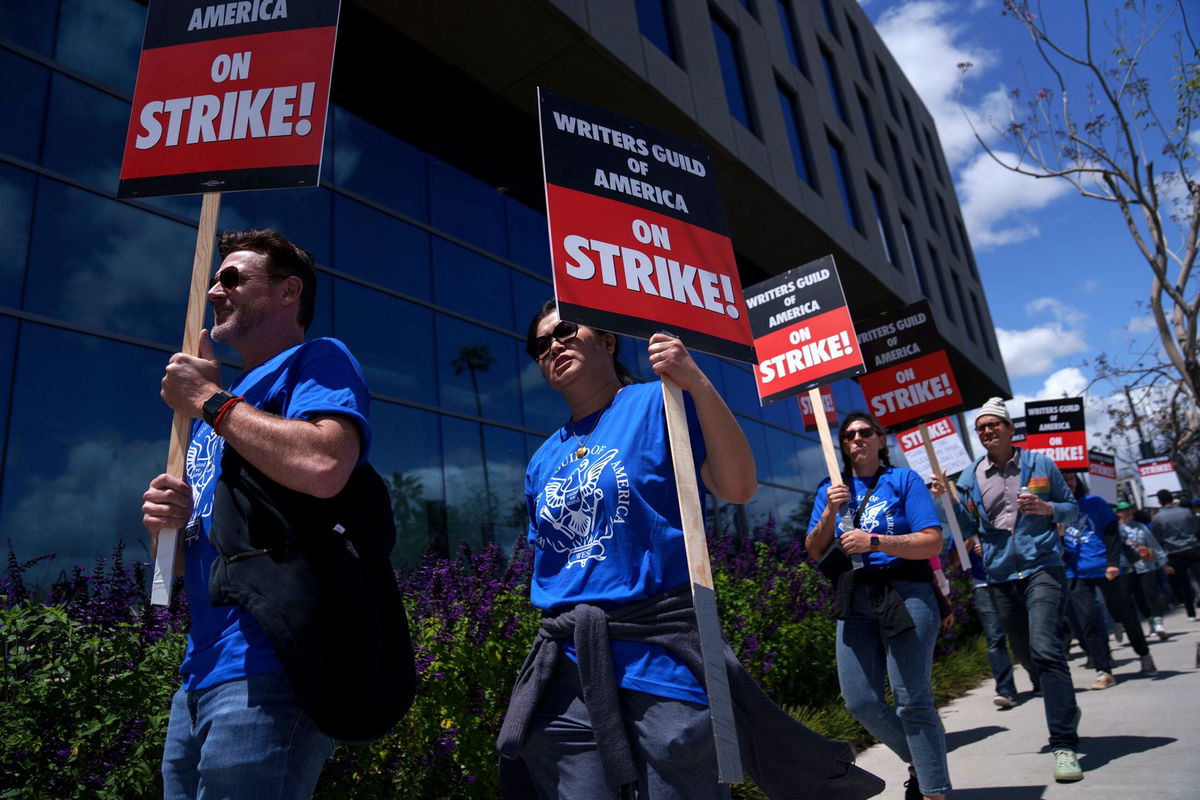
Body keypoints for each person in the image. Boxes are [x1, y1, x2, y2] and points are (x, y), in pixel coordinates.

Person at [496, 301, 883, 800]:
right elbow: (557, 559)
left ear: (608, 341)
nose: (553, 346)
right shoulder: (542, 459)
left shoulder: (660, 403)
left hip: (657, 659)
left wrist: (695, 381)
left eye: (566, 330)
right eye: (540, 345)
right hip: (565, 668)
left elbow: (738, 486)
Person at [141, 230, 372, 798]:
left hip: (270, 667)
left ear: (290, 291)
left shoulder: (317, 360)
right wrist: (164, 528)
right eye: (216, 278)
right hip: (198, 674)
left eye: (234, 278)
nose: (216, 290)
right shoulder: (216, 412)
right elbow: (174, 568)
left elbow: (324, 463)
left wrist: (212, 402)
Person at [929, 397, 1083, 783]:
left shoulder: (1039, 464)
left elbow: (1071, 508)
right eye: (980, 427)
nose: (987, 431)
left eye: (993, 424)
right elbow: (965, 527)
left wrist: (1048, 510)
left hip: (1042, 566)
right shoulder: (969, 476)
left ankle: (1063, 743)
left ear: (1010, 429)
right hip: (999, 575)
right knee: (1027, 653)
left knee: (1046, 649)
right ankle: (1065, 703)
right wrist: (946, 497)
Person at [806, 412, 949, 800]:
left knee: (911, 699)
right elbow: (814, 549)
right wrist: (829, 512)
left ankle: (933, 791)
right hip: (855, 596)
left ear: (881, 439)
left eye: (865, 432)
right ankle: (925, 756)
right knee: (860, 700)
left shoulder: (903, 480)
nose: (857, 439)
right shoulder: (830, 489)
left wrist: (875, 542)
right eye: (850, 435)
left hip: (906, 593)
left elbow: (932, 542)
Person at [1060, 473, 1156, 687]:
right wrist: (1057, 532)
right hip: (1075, 573)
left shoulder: (1095, 503)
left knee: (1125, 613)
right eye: (1063, 480)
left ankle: (1144, 655)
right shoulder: (1053, 510)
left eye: (1071, 479)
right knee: (1087, 621)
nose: (1068, 484)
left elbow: (1112, 534)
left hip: (1105, 568)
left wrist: (1112, 563)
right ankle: (1103, 669)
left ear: (1078, 482)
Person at [1116, 501, 1170, 639]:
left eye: (1129, 510)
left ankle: (1159, 623)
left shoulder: (1140, 527)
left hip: (1146, 565)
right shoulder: (1116, 530)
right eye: (1124, 511)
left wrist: (1162, 562)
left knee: (1150, 593)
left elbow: (1153, 544)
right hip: (1128, 568)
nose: (1128, 513)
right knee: (1139, 597)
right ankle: (1150, 621)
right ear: (1118, 513)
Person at [1151, 488, 1200, 622]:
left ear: (1159, 501)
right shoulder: (1186, 512)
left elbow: (1158, 537)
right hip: (1193, 548)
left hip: (1175, 552)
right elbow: (1196, 528)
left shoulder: (1157, 518)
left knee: (1183, 584)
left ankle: (1191, 613)